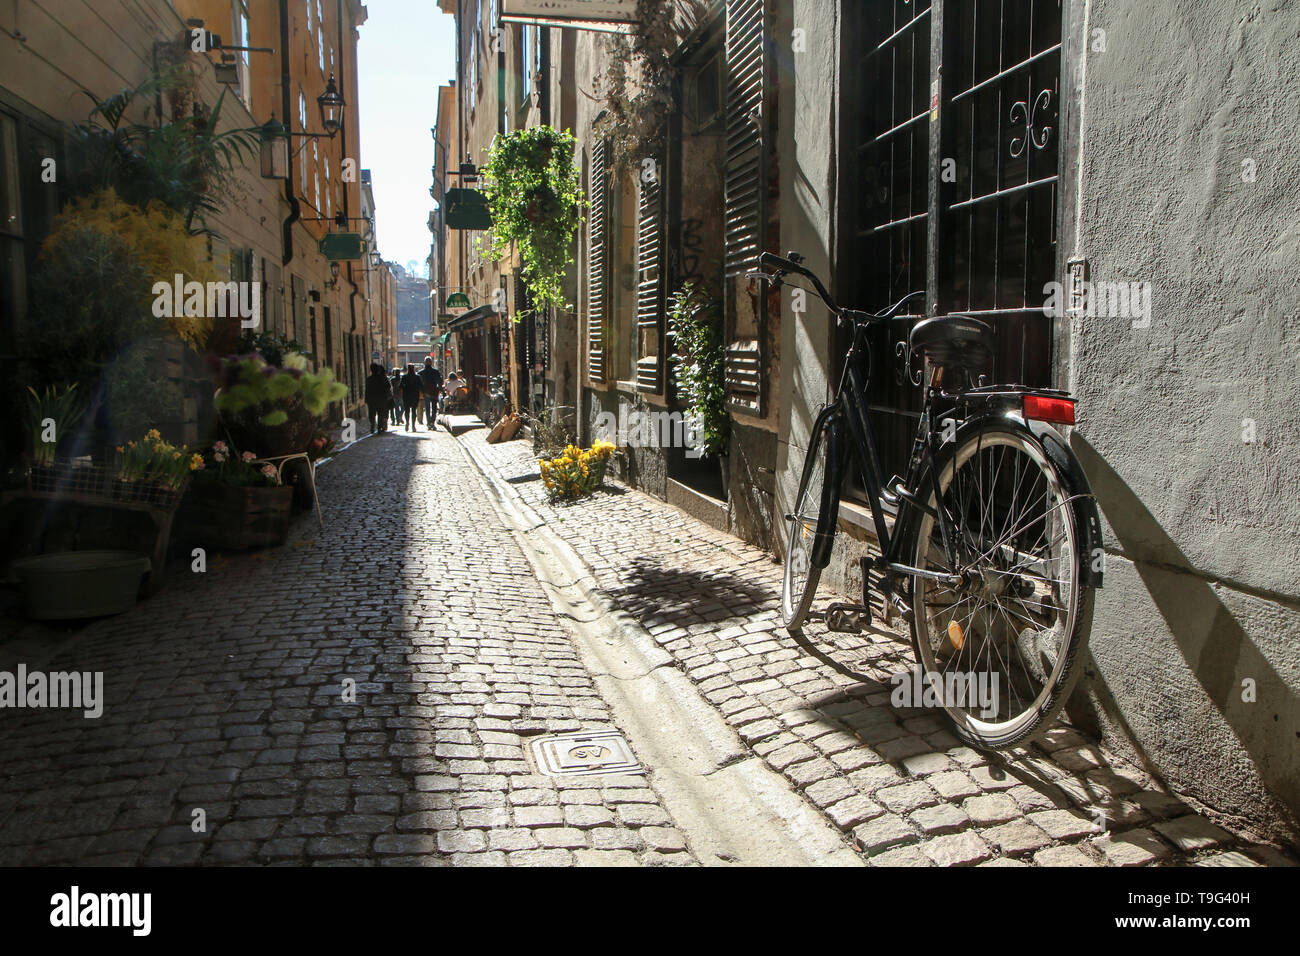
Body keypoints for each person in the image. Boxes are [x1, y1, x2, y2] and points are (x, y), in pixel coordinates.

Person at [365, 362, 393, 434]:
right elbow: (388, 387)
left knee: (372, 413)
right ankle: (379, 427)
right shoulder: (383, 378)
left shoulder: (369, 379)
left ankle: (372, 425)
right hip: (381, 399)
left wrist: (366, 399)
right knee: (381, 413)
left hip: (371, 399)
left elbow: (367, 390)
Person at [418, 357, 443, 428]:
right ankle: (432, 421)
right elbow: (440, 381)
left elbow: (419, 384)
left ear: (424, 362)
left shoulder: (421, 373)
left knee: (427, 408)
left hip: (426, 393)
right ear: (431, 362)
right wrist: (440, 389)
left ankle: (429, 422)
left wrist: (421, 391)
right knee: (434, 408)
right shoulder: (436, 372)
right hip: (434, 392)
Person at [400, 364, 423, 431]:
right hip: (415, 396)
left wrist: (403, 392)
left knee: (407, 411)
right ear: (414, 369)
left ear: (408, 369)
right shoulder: (417, 377)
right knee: (413, 411)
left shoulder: (404, 377)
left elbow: (400, 386)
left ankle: (407, 423)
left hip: (406, 396)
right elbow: (421, 386)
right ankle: (413, 426)